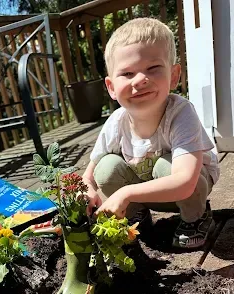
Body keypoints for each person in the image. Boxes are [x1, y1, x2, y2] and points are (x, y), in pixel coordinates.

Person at [82, 17, 219, 249]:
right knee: (106, 167)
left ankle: (196, 218)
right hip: (145, 191)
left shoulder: (181, 113)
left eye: (153, 68)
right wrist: (86, 194)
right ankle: (137, 215)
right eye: (126, 74)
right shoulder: (116, 122)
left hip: (188, 190)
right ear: (111, 87)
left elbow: (185, 182)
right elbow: (89, 177)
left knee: (165, 167)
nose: (140, 80)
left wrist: (125, 193)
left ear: (174, 76)